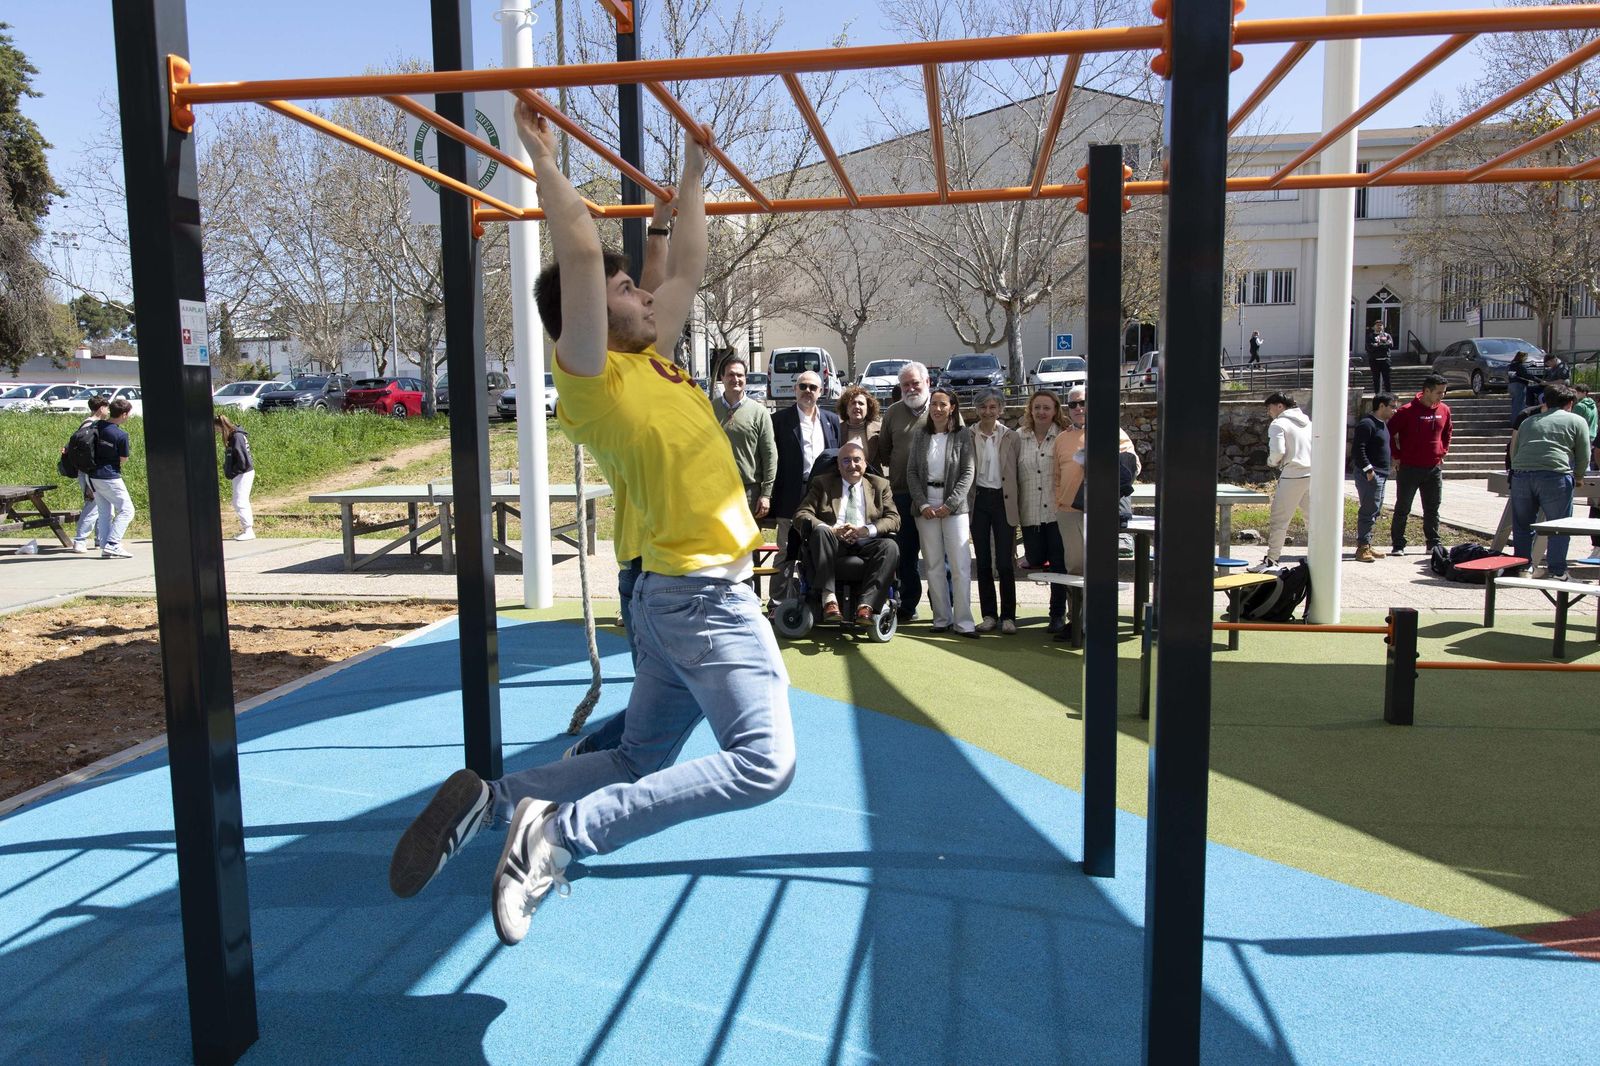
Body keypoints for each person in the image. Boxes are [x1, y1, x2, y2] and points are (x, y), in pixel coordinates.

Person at [391, 107, 794, 948]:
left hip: (673, 602)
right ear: (583, 318)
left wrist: (691, 163)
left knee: (635, 760)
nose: (645, 295)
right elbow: (576, 247)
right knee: (765, 764)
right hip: (700, 599)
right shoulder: (593, 380)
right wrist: (539, 151)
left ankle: (492, 802)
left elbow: (685, 261)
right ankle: (553, 837)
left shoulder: (657, 359)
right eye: (625, 290)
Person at [790, 440, 900, 623]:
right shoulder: (822, 484)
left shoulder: (880, 485)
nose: (853, 465)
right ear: (838, 466)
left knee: (890, 546)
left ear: (865, 463)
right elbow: (802, 514)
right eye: (846, 461)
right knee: (821, 531)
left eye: (857, 460)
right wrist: (832, 530)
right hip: (832, 544)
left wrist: (866, 530)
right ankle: (829, 599)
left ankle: (866, 606)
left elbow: (894, 519)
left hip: (866, 544)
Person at [907, 386, 977, 636]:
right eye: (933, 404)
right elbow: (912, 472)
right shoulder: (920, 435)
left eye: (942, 404)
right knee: (934, 565)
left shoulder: (962, 435)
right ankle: (941, 618)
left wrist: (951, 504)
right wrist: (924, 504)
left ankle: (964, 622)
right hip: (925, 506)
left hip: (954, 509)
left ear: (952, 407)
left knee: (960, 566)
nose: (937, 409)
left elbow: (968, 472)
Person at [1508, 383, 1591, 579]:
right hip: (1555, 475)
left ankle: (1523, 568)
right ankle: (1557, 571)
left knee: (1522, 525)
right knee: (1559, 526)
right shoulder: (1577, 421)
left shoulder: (1528, 421)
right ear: (1570, 403)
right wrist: (1578, 477)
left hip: (1521, 473)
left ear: (1545, 401)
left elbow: (1515, 449)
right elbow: (1584, 454)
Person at [1001, 390, 1069, 632]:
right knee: (1038, 558)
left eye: (1046, 408)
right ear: (1030, 410)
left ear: (1055, 411)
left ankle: (1057, 615)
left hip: (1057, 512)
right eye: (1037, 407)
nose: (1041, 412)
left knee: (1060, 565)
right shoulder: (1019, 437)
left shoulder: (1062, 436)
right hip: (1030, 513)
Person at [769, 369, 841, 585]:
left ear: (821, 391)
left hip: (823, 496)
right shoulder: (779, 420)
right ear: (795, 390)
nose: (807, 391)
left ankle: (817, 597)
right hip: (791, 494)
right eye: (803, 386)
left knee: (821, 548)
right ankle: (778, 601)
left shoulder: (832, 420)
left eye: (813, 387)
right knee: (786, 551)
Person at [877, 361, 931, 622]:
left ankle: (946, 608)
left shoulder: (942, 409)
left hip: (935, 497)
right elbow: (885, 450)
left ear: (927, 383)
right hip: (901, 493)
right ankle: (908, 606)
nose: (910, 388)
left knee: (937, 558)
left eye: (915, 383)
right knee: (905, 556)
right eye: (905, 384)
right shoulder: (893, 413)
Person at [1387, 374, 1453, 557]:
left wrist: (1443, 451)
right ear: (1427, 391)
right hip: (1409, 468)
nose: (1442, 396)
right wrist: (1396, 455)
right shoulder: (1406, 411)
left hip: (1433, 468)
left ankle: (1433, 543)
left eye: (1444, 393)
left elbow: (1447, 432)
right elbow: (1389, 433)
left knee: (1432, 508)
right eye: (1439, 392)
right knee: (1403, 507)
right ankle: (1398, 544)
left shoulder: (1444, 410)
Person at [968, 391, 1016, 633]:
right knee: (983, 561)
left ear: (1000, 409)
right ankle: (989, 615)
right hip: (978, 501)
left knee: (1005, 562)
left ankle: (1009, 616)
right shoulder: (968, 435)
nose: (988, 411)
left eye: (993, 406)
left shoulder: (1010, 436)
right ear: (976, 410)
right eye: (983, 407)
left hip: (1003, 501)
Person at [1251, 392, 1314, 572]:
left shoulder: (1278, 423)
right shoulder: (1308, 423)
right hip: (1312, 473)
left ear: (1280, 406)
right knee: (1312, 520)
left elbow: (1278, 451)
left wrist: (1272, 462)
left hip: (1292, 474)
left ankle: (1272, 560)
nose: (1269, 412)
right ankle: (1317, 557)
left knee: (1279, 520)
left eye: (1269, 408)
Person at [710, 356, 777, 522]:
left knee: (746, 547)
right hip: (715, 491)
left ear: (745, 379)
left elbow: (769, 455)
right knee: (717, 545)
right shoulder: (708, 410)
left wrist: (766, 494)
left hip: (748, 493)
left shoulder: (759, 413)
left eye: (740, 375)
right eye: (731, 375)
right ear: (722, 378)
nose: (736, 379)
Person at [1350, 393, 1396, 563]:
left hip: (1381, 474)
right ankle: (1362, 548)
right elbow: (1358, 449)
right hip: (1370, 475)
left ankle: (1367, 543)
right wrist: (1369, 469)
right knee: (1368, 510)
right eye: (1392, 406)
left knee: (1375, 510)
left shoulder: (1383, 424)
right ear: (1381, 406)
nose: (1394, 410)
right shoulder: (1367, 424)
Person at [90, 398, 136, 559]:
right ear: (123, 414)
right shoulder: (121, 434)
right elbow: (123, 459)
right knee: (127, 510)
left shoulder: (96, 426)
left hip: (93, 475)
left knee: (104, 512)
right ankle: (113, 544)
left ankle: (105, 546)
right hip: (110, 476)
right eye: (128, 414)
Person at [1052, 386, 1088, 575]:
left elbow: (1132, 465)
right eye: (1073, 404)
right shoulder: (1061, 439)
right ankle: (1076, 606)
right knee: (1074, 569)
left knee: (1101, 567)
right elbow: (1056, 475)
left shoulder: (1111, 431)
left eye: (1083, 402)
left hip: (1100, 512)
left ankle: (1094, 606)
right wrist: (1059, 503)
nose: (1078, 408)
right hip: (1068, 512)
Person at [70, 394, 110, 553]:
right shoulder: (91, 425)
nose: (108, 410)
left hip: (92, 471)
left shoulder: (88, 424)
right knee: (93, 504)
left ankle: (100, 539)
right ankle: (80, 540)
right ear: (101, 408)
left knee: (104, 505)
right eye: (107, 407)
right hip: (89, 472)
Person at [214, 414, 256, 541]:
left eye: (217, 429)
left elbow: (243, 460)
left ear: (221, 426)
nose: (217, 432)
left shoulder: (236, 437)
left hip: (243, 472)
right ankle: (247, 529)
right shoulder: (235, 435)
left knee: (240, 501)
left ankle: (248, 530)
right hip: (242, 472)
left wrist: (233, 471)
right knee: (238, 501)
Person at [836, 385, 884, 472]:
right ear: (846, 408)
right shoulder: (836, 430)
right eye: (853, 403)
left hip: (874, 481)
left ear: (868, 408)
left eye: (861, 403)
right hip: (845, 481)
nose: (857, 406)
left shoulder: (880, 429)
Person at [1507, 351, 1538, 426]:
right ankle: (1516, 423)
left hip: (1511, 385)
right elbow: (1526, 375)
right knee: (1519, 405)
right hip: (1519, 385)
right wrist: (1538, 380)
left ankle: (1513, 421)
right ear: (1522, 357)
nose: (1526, 359)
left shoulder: (1511, 365)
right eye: (1525, 357)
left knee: (1515, 404)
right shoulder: (1520, 366)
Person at [1364, 320, 1394, 396]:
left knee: (1387, 379)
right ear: (1374, 327)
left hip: (1385, 360)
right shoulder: (1370, 336)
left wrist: (1378, 345)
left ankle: (1389, 395)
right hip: (1374, 361)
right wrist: (1381, 345)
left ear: (1383, 327)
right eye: (1377, 325)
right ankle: (1377, 394)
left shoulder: (1387, 335)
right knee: (1376, 379)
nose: (1379, 327)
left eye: (1381, 325)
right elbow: (1370, 347)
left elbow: (1390, 345)